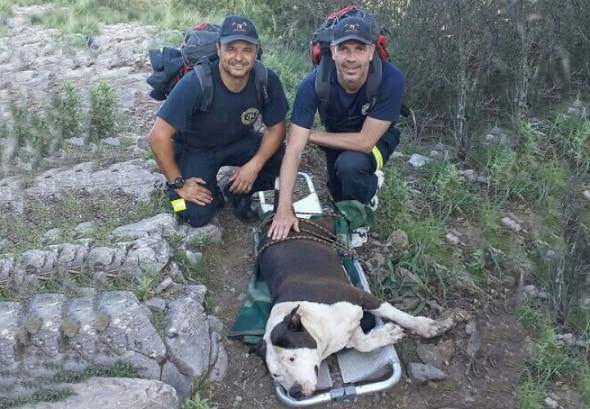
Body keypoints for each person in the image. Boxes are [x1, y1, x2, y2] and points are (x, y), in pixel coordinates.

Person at [268, 16, 404, 246]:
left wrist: (309, 135)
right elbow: (293, 149)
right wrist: (284, 209)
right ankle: (358, 186)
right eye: (344, 49)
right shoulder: (313, 83)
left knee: (350, 165)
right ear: (332, 51)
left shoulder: (391, 79)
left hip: (377, 137)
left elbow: (364, 142)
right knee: (337, 193)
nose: (351, 58)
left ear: (371, 51)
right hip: (337, 132)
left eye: (359, 49)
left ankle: (362, 216)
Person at [148, 15, 288, 227]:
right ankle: (174, 192)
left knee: (283, 156)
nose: (239, 57)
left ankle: (238, 193)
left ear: (256, 51)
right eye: (231, 48)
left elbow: (277, 128)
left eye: (247, 50)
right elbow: (157, 136)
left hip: (238, 142)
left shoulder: (266, 80)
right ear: (219, 49)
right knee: (192, 215)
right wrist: (178, 183)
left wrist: (254, 165)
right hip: (196, 149)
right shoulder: (196, 82)